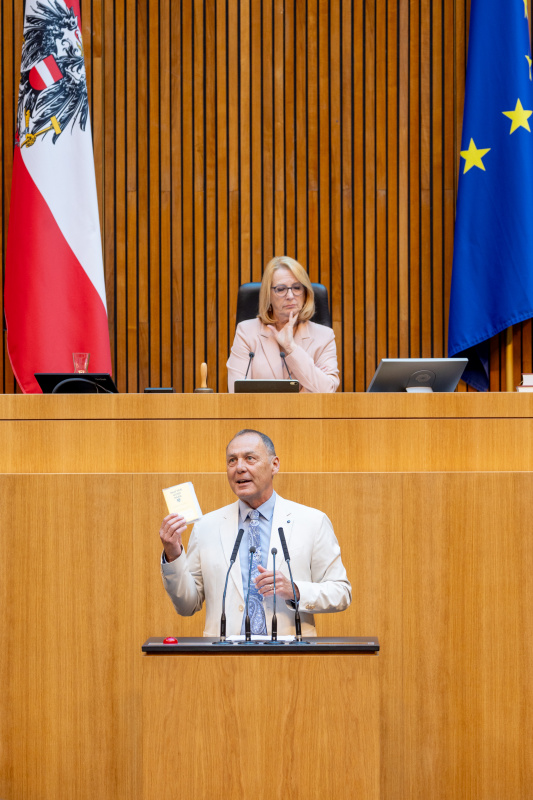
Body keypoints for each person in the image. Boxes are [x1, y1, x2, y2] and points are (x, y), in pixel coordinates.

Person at [159, 429, 351, 637]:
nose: (239, 467)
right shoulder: (206, 526)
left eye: (250, 458)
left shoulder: (312, 521)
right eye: (232, 461)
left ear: (274, 465)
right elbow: (187, 606)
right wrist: (173, 554)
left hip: (292, 658)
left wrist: (295, 590)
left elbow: (341, 593)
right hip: (222, 661)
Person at [226, 256, 340, 393]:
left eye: (297, 288)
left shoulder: (324, 336)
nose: (290, 295)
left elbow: (327, 392)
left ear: (305, 293)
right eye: (281, 289)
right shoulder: (246, 332)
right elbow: (236, 393)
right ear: (268, 295)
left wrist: (291, 348)